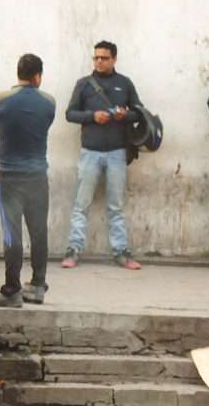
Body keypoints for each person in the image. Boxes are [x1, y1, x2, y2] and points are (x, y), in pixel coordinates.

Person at [0, 54, 56, 308]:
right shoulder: (48, 102)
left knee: (11, 234)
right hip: (37, 176)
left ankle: (11, 289)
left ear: (18, 74)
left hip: (9, 178)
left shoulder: (1, 99)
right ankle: (37, 285)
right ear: (38, 76)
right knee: (38, 231)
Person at [61, 40, 143, 270]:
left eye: (104, 58)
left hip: (117, 152)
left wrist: (123, 116)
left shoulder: (125, 84)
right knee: (81, 205)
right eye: (96, 57)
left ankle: (121, 252)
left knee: (115, 207)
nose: (99, 61)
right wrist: (92, 116)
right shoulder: (84, 85)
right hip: (90, 153)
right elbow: (69, 114)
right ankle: (73, 250)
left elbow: (139, 113)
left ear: (114, 59)